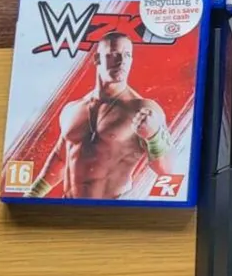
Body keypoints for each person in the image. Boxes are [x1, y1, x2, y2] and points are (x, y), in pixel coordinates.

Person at [25, 34, 172, 200]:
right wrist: (33, 194)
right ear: (97, 59)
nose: (121, 61)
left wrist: (154, 137)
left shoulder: (143, 109)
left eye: (127, 55)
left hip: (112, 209)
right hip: (69, 206)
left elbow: (168, 171)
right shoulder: (72, 109)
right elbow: (61, 157)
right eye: (114, 54)